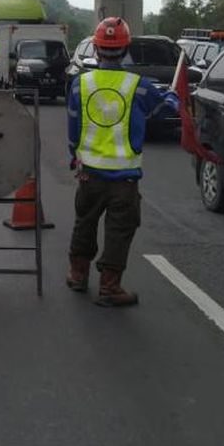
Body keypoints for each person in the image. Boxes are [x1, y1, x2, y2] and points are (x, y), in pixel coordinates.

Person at [66, 17, 178, 307]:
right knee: (119, 231)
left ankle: (77, 276)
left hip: (89, 174)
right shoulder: (139, 86)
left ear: (96, 49)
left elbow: (73, 128)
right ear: (125, 49)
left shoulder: (81, 84)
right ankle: (109, 287)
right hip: (124, 178)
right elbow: (162, 110)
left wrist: (73, 155)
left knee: (84, 223)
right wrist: (173, 98)